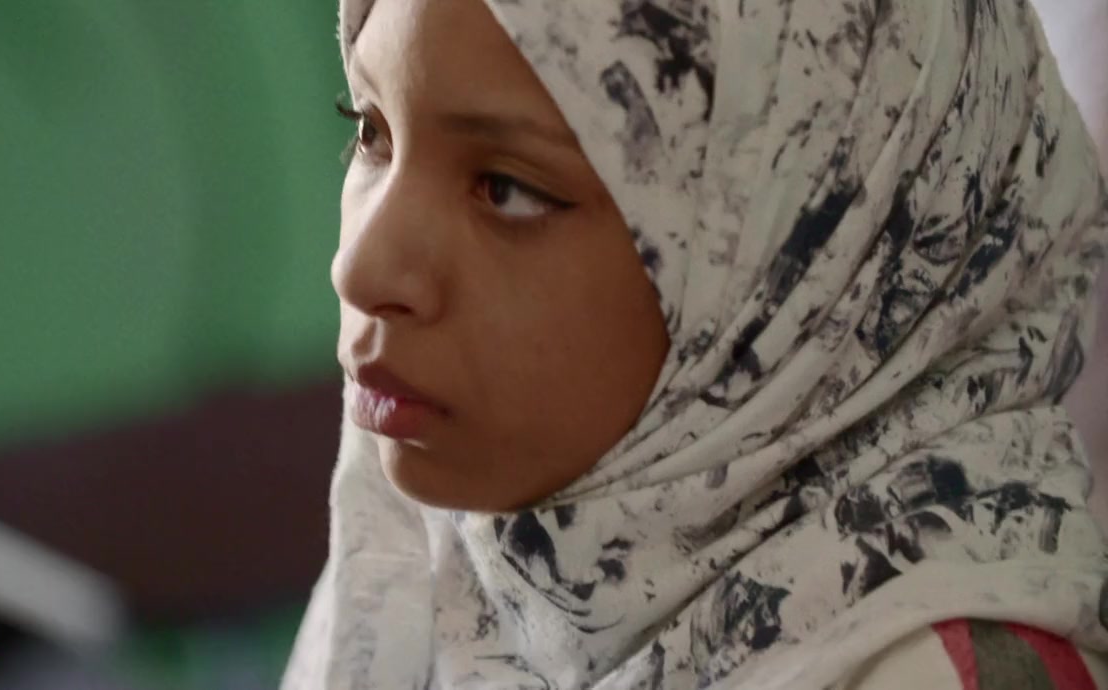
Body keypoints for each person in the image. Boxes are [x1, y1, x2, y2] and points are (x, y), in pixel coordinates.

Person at [284, 0, 1108, 687]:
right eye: (371, 131)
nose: (360, 267)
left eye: (507, 190)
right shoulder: (444, 561)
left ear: (800, 264)